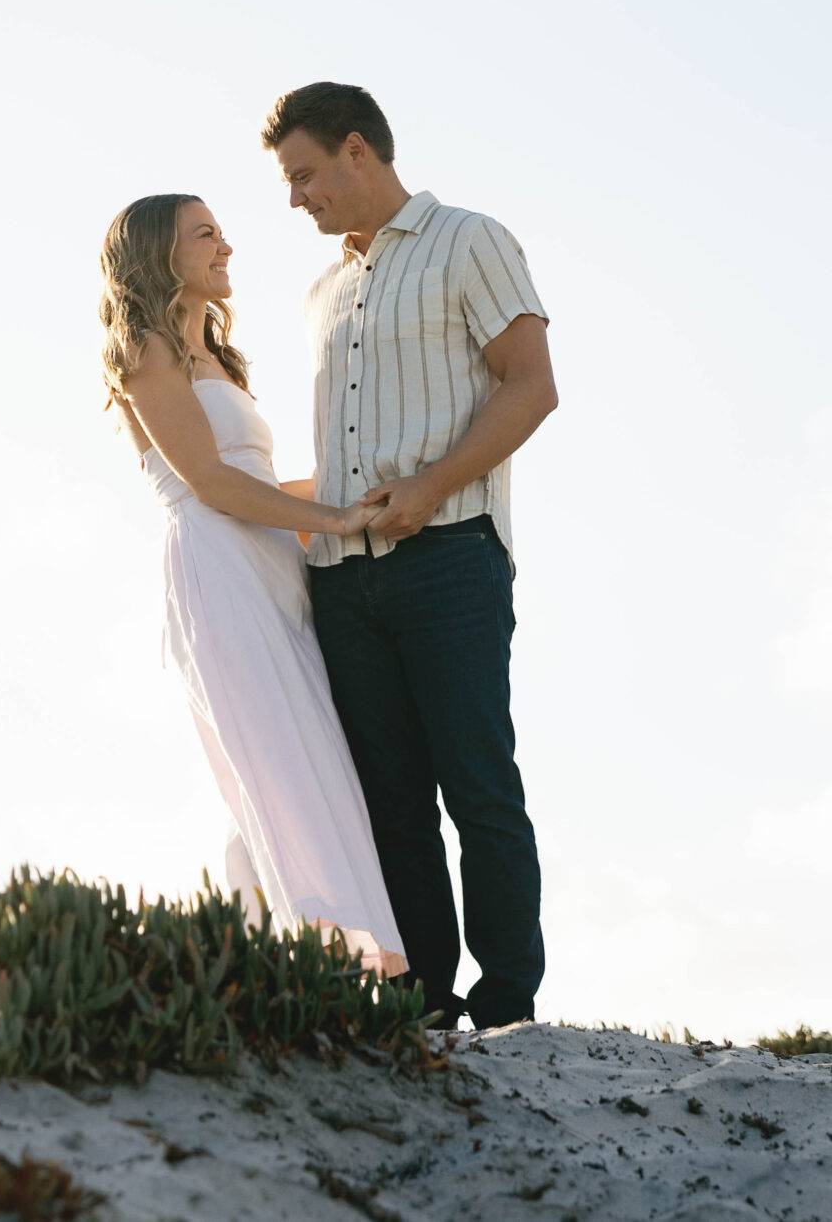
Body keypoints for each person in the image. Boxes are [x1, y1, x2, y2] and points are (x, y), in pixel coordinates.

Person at [263, 82, 558, 1030]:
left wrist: (428, 486)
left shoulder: (470, 240)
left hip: (450, 560)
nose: (297, 198)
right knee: (390, 805)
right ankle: (424, 1003)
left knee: (479, 785)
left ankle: (507, 1003)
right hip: (343, 582)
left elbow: (532, 386)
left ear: (359, 150)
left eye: (305, 175)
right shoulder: (323, 291)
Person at [101, 193, 407, 977]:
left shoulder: (220, 359)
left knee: (314, 758)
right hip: (220, 572)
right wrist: (338, 520)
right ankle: (309, 955)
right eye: (205, 234)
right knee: (268, 763)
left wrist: (361, 490)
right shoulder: (144, 349)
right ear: (160, 254)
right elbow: (209, 481)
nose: (225, 245)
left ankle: (300, 958)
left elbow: (259, 480)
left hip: (278, 575)